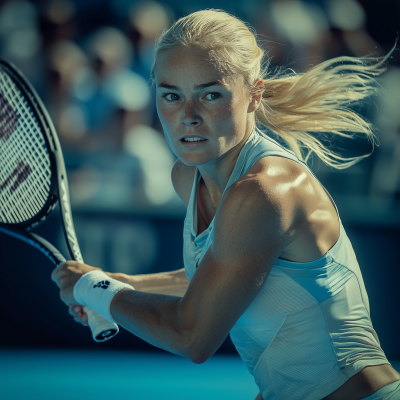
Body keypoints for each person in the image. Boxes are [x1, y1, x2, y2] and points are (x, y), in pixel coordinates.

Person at [51, 9, 400, 400]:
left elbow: (193, 334)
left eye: (210, 95)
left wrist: (98, 290)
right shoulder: (188, 176)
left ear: (254, 94)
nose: (188, 117)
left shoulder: (267, 190)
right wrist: (122, 286)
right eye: (171, 95)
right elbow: (223, 274)